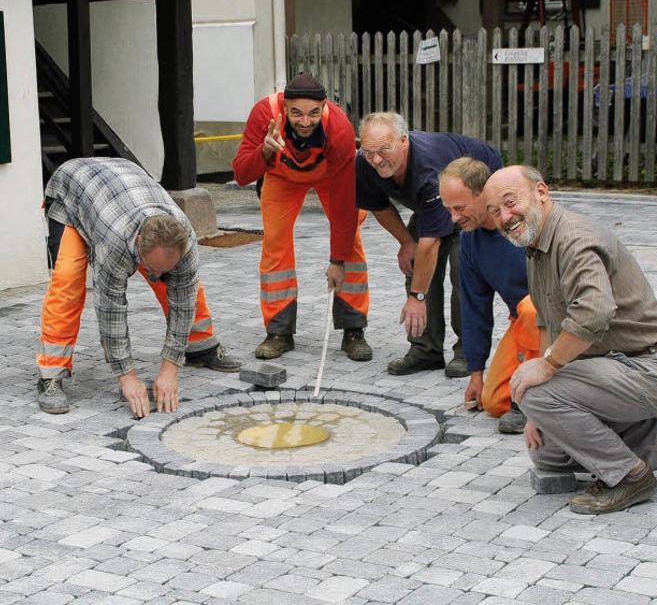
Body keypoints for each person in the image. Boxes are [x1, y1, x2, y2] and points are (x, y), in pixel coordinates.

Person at [484, 165, 657, 514]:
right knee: (548, 454)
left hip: (654, 367)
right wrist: (539, 409)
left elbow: (594, 312)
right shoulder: (536, 248)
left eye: (510, 202)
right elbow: (547, 326)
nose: (503, 216)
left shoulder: (573, 238)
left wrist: (549, 369)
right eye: (494, 211)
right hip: (617, 371)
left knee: (538, 392)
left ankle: (631, 477)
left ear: (541, 192)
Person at [36, 157, 240, 417]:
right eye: (151, 268)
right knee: (68, 281)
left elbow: (183, 299)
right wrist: (127, 377)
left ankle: (199, 346)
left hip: (122, 187)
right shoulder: (115, 243)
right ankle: (50, 372)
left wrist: (170, 368)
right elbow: (111, 312)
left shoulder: (185, 240)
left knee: (180, 284)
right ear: (140, 242)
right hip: (71, 195)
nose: (156, 276)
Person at [232, 73, 371, 362]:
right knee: (275, 244)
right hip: (281, 177)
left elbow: (346, 201)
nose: (305, 122)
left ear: (324, 108)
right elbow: (242, 175)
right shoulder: (263, 114)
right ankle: (279, 331)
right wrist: (264, 151)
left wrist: (337, 259)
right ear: (284, 107)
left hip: (329, 178)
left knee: (351, 241)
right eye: (296, 113)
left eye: (313, 113)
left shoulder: (340, 129)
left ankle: (353, 329)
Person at [355, 112, 501, 377]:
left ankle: (468, 352)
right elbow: (378, 205)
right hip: (433, 202)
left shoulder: (428, 168)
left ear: (403, 141)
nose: (376, 159)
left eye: (384, 150)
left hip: (471, 199)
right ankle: (426, 351)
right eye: (369, 152)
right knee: (416, 268)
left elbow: (431, 243)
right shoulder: (364, 162)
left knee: (464, 272)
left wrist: (417, 298)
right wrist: (406, 241)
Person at [439, 157, 537, 433]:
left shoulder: (523, 223)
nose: (454, 218)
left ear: (483, 195)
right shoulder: (469, 240)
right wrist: (476, 372)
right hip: (522, 322)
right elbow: (474, 308)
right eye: (448, 209)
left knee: (532, 305)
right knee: (493, 402)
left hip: (556, 319)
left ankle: (538, 403)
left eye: (459, 208)